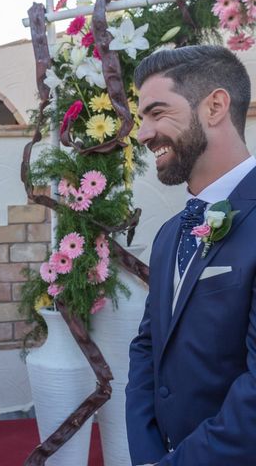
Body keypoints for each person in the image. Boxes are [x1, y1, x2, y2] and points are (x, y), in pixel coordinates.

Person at [125, 45, 256, 465]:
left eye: (157, 113)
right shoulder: (168, 235)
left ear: (215, 106)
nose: (143, 134)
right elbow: (147, 347)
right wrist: (147, 455)